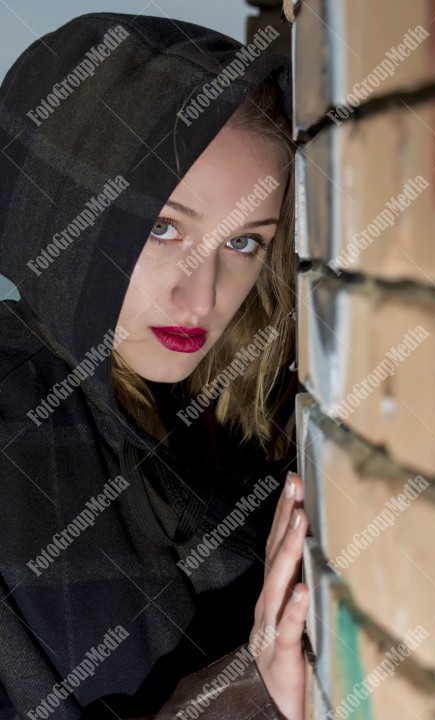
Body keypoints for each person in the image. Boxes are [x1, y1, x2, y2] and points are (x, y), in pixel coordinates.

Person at [0, 11, 309, 720]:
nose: (200, 296)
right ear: (61, 213)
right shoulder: (21, 442)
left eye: (244, 245)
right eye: (163, 228)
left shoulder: (243, 426)